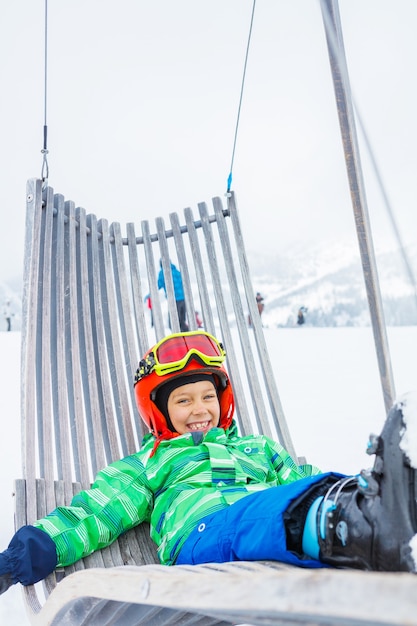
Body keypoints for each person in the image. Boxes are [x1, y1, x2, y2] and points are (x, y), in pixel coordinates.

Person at [0, 331, 416, 595]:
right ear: (159, 411)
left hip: (272, 530)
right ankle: (355, 528)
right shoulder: (151, 461)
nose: (199, 408)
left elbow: (303, 483)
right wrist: (21, 557)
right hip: (203, 538)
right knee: (253, 515)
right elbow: (94, 513)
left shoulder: (257, 446)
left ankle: (384, 512)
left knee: (320, 490)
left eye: (207, 396)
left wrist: (342, 490)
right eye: (183, 399)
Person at [158, 261, 188, 332]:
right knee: (182, 320)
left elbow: (159, 285)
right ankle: (185, 336)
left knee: (173, 322)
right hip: (183, 299)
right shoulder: (177, 271)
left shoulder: (162, 272)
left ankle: (179, 337)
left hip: (174, 300)